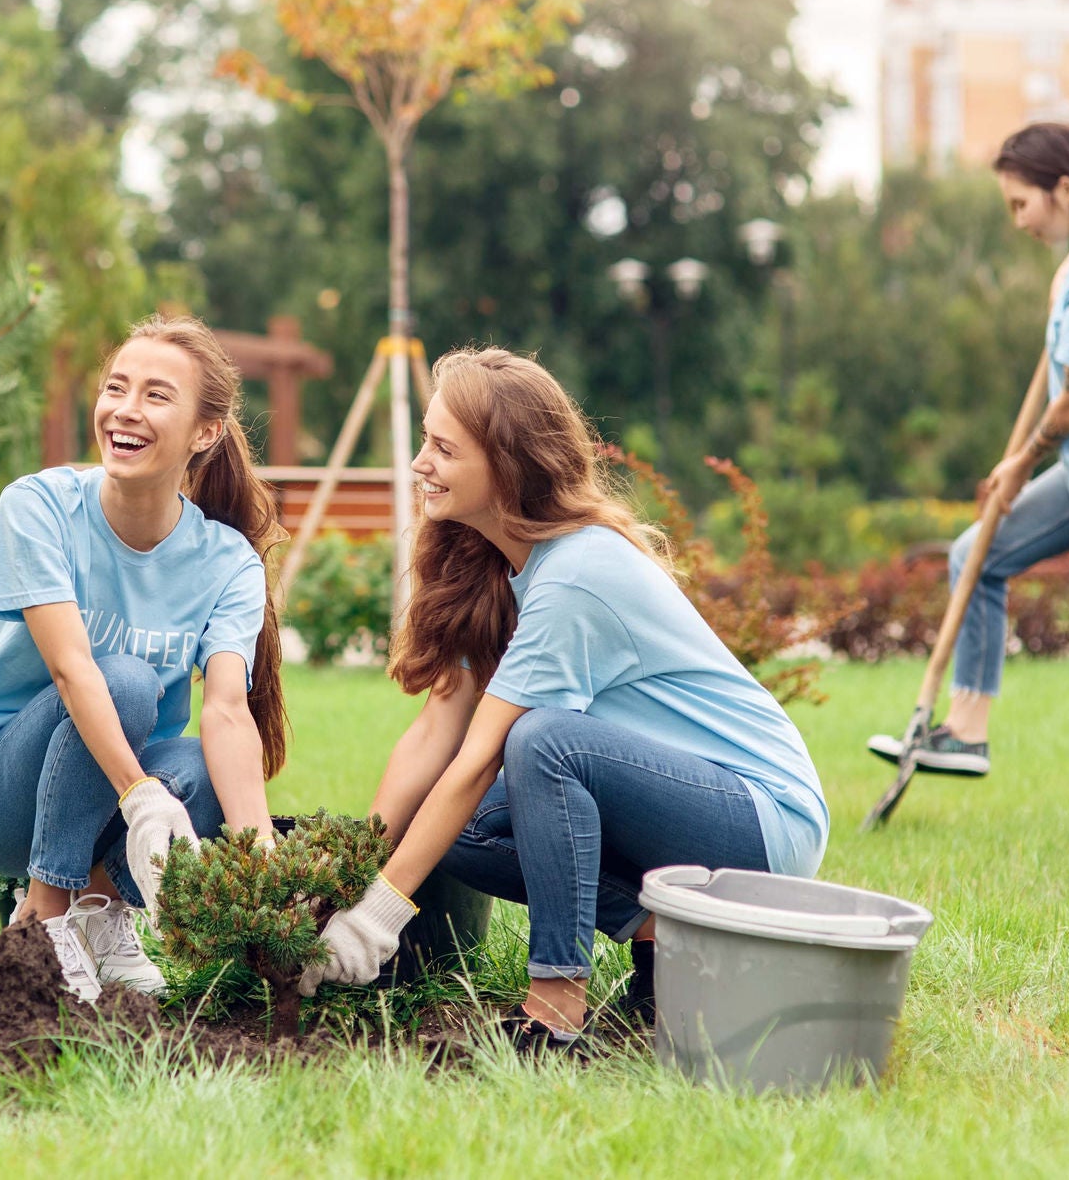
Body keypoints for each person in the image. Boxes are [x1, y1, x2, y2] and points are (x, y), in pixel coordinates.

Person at [300, 348, 828, 1053]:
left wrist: (377, 917)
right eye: (426, 439)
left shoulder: (576, 573)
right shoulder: (496, 565)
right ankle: (663, 942)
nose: (420, 462)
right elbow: (435, 735)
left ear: (507, 466)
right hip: (683, 814)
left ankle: (555, 999)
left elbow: (481, 756)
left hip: (762, 819)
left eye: (442, 447)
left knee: (545, 743)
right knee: (452, 828)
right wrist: (345, 875)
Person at [0, 314, 288, 1000]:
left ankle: (101, 909)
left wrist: (260, 861)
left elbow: (229, 712)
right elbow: (73, 669)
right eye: (117, 387)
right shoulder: (40, 506)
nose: (125, 409)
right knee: (125, 678)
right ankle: (44, 916)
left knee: (207, 769)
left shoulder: (226, 560)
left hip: (105, 793)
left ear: (205, 432)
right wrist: (141, 794)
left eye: (155, 394)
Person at [867, 122, 1069, 837]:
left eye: (1022, 204)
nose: (1016, 220)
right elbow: (1068, 356)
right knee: (974, 554)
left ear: (1066, 190)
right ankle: (967, 727)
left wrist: (1021, 461)